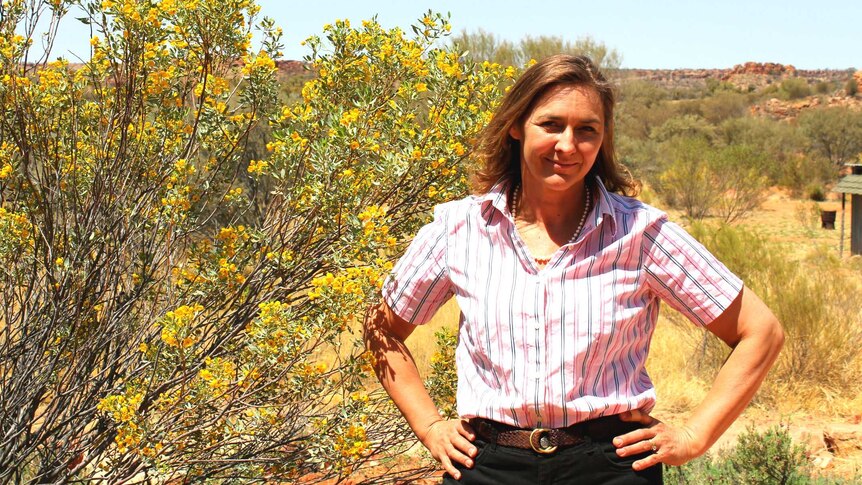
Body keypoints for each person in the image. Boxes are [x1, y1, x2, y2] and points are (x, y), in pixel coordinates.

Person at [364, 54, 783, 484]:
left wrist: (694, 435)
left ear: (603, 139)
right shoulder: (459, 228)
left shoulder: (640, 232)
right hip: (488, 465)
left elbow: (760, 331)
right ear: (516, 125)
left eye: (587, 130)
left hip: (612, 466)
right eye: (551, 125)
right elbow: (382, 329)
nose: (568, 145)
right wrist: (431, 427)